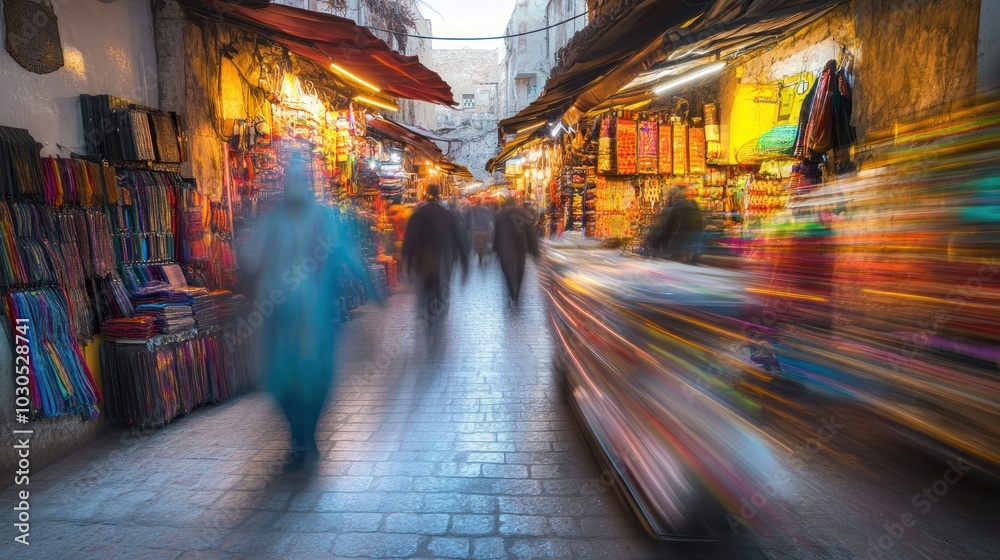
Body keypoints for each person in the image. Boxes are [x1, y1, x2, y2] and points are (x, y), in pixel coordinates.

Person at [244, 157, 380, 472]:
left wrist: (369, 286)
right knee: (284, 381)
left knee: (314, 379)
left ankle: (304, 438)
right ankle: (300, 437)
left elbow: (348, 252)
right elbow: (252, 258)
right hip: (280, 317)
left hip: (311, 317)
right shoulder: (275, 221)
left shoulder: (322, 219)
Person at [402, 184, 469, 322]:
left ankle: (427, 317)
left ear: (426, 194)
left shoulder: (417, 215)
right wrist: (464, 260)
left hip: (422, 261)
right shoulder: (447, 215)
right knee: (441, 290)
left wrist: (406, 259)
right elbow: (458, 237)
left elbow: (408, 240)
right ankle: (438, 315)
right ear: (439, 195)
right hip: (442, 261)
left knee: (424, 291)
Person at [493, 196, 540, 305]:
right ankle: (517, 291)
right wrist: (534, 251)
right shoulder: (522, 214)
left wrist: (495, 248)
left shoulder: (500, 215)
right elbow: (530, 233)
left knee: (508, 271)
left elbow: (497, 234)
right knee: (520, 269)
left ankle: (512, 289)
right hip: (520, 247)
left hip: (505, 247)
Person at [650, 185, 704, 263]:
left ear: (677, 196)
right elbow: (700, 228)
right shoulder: (697, 209)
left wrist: (657, 245)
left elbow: (667, 230)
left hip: (678, 248)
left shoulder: (677, 209)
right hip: (693, 250)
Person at [467, 199, 495, 264]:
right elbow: (490, 218)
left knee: (476, 244)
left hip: (475, 230)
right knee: (483, 244)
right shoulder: (486, 209)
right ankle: (482, 254)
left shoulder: (472, 209)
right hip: (484, 230)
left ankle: (479, 254)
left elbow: (469, 219)